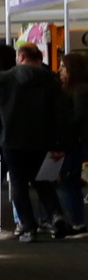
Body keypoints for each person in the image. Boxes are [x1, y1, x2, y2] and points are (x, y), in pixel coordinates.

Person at [0, 42, 68, 240]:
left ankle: (28, 227)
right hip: (42, 138)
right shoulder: (51, 79)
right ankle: (56, 215)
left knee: (18, 182)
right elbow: (60, 113)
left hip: (11, 137)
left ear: (21, 57)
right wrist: (59, 142)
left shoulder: (6, 77)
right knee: (43, 179)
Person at [60, 52, 88, 232]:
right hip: (78, 143)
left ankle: (77, 222)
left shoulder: (79, 91)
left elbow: (78, 118)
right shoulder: (79, 90)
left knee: (69, 183)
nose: (60, 70)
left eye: (63, 67)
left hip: (77, 144)